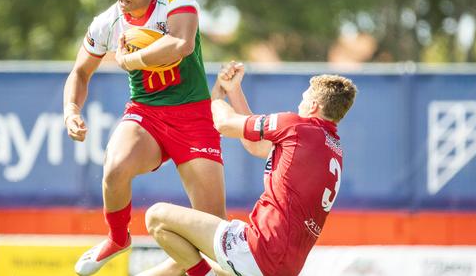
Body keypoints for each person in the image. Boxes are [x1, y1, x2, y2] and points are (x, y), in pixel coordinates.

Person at [63, 0, 226, 275]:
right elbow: (80, 72)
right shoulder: (107, 23)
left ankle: (188, 269)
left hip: (194, 116)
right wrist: (70, 109)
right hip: (146, 113)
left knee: (214, 231)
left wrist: (131, 59)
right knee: (114, 169)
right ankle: (117, 238)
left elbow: (181, 43)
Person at [145, 61, 358, 276]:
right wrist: (234, 90)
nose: (299, 106)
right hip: (282, 267)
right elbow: (255, 145)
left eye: (302, 101)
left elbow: (224, 123)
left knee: (156, 217)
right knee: (181, 261)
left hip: (257, 251)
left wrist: (217, 96)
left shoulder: (296, 127)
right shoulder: (331, 149)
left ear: (313, 106)